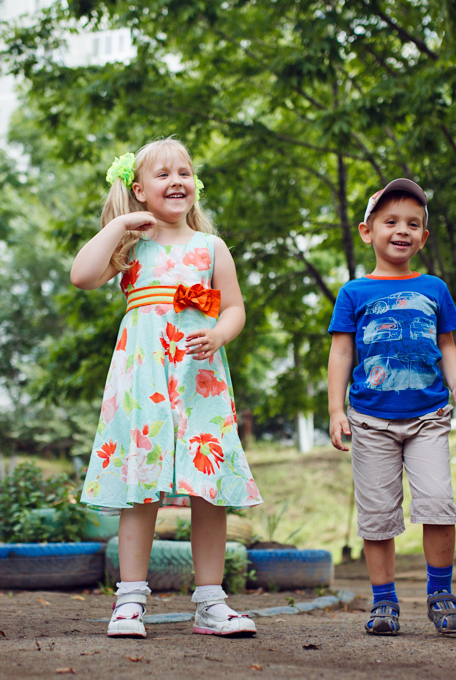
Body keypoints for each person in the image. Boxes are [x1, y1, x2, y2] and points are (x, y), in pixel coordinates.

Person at [73, 139, 262, 639]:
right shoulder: (131, 245)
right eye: (163, 174)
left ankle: (211, 602)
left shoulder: (209, 246)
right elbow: (82, 276)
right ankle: (130, 601)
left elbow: (233, 308)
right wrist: (118, 225)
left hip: (199, 379)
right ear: (139, 189)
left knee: (208, 488)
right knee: (142, 486)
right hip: (143, 379)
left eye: (185, 172)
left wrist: (220, 332)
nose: (177, 180)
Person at [327, 178, 456, 637]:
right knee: (377, 516)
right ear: (367, 231)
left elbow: (447, 346)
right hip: (370, 421)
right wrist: (336, 409)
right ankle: (384, 600)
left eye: (413, 224)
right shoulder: (354, 293)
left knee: (437, 503)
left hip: (429, 416)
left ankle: (440, 592)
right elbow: (340, 354)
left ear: (423, 237)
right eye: (390, 221)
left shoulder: (434, 287)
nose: (402, 230)